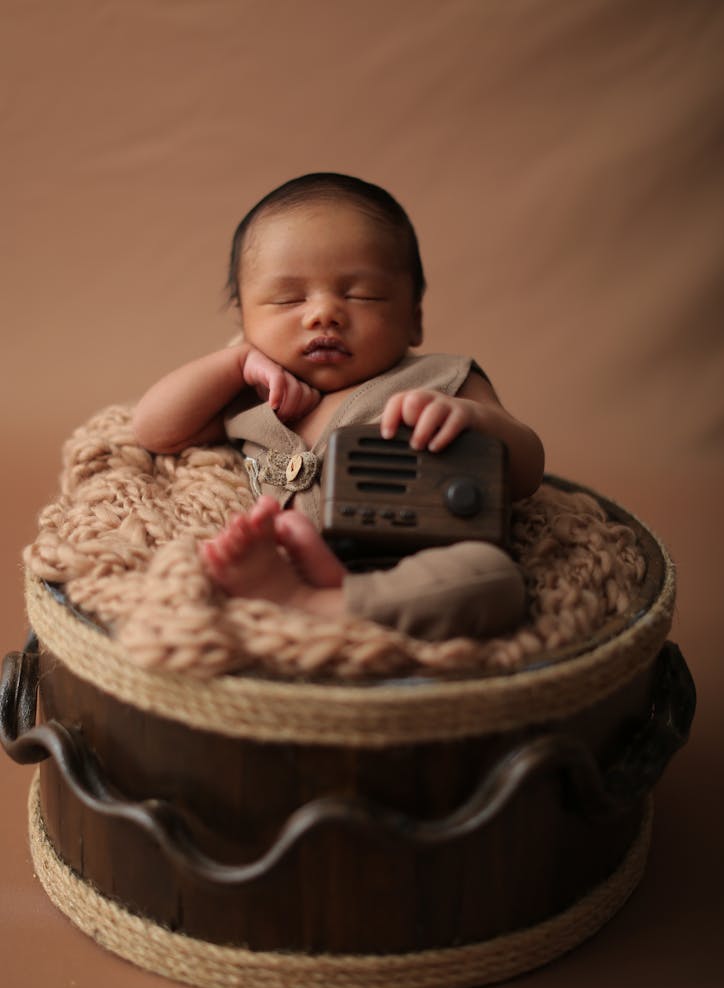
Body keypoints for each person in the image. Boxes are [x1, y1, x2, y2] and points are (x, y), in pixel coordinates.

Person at [132, 173, 545, 642]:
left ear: (414, 319)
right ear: (244, 318)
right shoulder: (246, 391)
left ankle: (314, 603)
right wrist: (236, 360)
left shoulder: (441, 379)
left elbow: (528, 470)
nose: (323, 314)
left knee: (493, 579)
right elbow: (152, 429)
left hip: (415, 558)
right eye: (288, 298)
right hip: (285, 549)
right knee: (200, 564)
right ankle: (306, 589)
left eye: (361, 295)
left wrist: (474, 420)